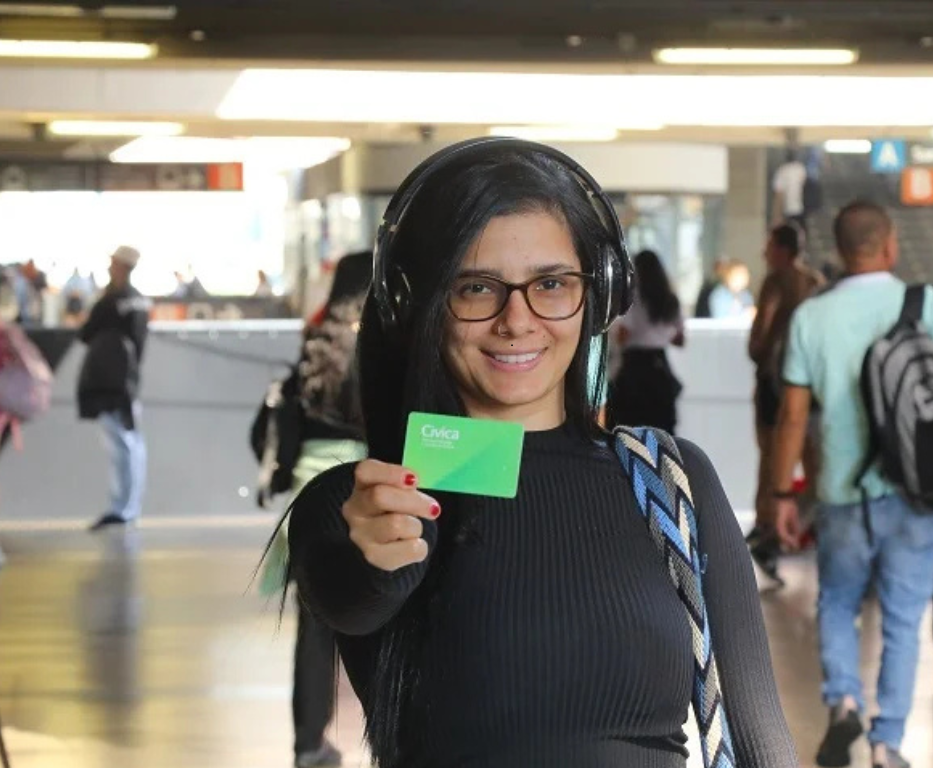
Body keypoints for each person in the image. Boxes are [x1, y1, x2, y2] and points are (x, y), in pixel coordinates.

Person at [286, 139, 797, 768]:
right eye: (476, 288)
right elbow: (353, 597)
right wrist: (382, 557)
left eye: (552, 283)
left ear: (598, 295)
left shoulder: (670, 481)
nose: (517, 319)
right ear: (417, 304)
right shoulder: (368, 500)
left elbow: (759, 738)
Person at [772, 201, 933, 768]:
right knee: (904, 617)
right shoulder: (926, 303)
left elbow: (792, 416)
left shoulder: (812, 316)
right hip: (917, 488)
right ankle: (888, 744)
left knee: (838, 601)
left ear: (841, 252)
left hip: (841, 490)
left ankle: (843, 699)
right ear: (889, 246)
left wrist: (783, 496)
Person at [262, 251, 373, 768]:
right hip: (366, 476)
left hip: (312, 484)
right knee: (381, 612)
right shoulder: (380, 334)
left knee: (315, 620)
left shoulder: (317, 334)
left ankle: (308, 742)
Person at [746, 224, 824, 581]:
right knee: (815, 466)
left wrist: (763, 347)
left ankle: (768, 534)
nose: (764, 253)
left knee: (772, 460)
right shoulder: (816, 283)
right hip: (812, 387)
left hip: (773, 387)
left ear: (781, 249)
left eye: (768, 246)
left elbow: (757, 342)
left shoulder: (776, 282)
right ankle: (802, 530)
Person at [78, 246, 151, 531]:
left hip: (111, 384)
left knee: (122, 444)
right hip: (127, 381)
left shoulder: (112, 302)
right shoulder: (139, 301)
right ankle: (128, 506)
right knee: (130, 443)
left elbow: (86, 333)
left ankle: (123, 507)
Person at [607, 249, 684, 434]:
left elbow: (623, 334)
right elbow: (680, 339)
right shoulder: (670, 300)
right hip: (660, 367)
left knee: (628, 428)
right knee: (662, 430)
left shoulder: (634, 299)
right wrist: (659, 334)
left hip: (634, 367)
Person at [772, 149, 808, 232]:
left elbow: (779, 194)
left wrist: (776, 214)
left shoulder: (782, 171)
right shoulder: (800, 168)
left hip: (790, 209)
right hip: (798, 208)